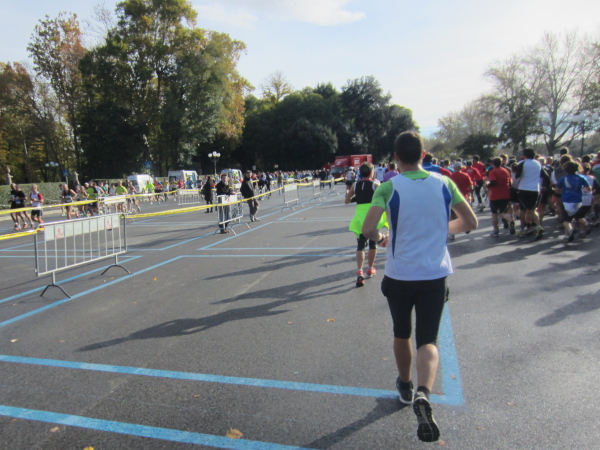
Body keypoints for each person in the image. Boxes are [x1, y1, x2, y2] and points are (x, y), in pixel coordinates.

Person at [362, 131, 477, 443]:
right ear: (423, 154)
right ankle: (424, 392)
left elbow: (368, 228)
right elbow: (471, 222)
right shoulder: (445, 183)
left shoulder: (388, 186)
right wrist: (440, 230)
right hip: (434, 275)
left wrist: (382, 238)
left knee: (402, 332)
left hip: (400, 274)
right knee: (428, 339)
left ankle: (405, 386)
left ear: (396, 157)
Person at [345, 162, 387, 287]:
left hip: (360, 218)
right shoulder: (375, 184)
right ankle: (370, 268)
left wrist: (357, 198)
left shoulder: (356, 185)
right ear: (372, 172)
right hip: (372, 217)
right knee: (373, 243)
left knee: (360, 245)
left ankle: (359, 271)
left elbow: (346, 201)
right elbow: (383, 199)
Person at [556, 161, 591, 242]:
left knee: (566, 219)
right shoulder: (581, 177)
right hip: (578, 200)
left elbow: (557, 190)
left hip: (566, 200)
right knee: (579, 217)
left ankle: (570, 230)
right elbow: (588, 189)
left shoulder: (564, 178)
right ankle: (586, 223)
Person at [515, 148, 545, 239]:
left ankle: (523, 228)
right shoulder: (538, 163)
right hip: (535, 189)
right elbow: (544, 175)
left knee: (523, 210)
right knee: (532, 209)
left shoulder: (522, 163)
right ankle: (538, 226)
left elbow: (517, 176)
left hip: (523, 189)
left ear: (524, 155)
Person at [486, 157, 515, 236]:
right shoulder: (506, 171)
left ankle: (496, 230)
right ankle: (511, 220)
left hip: (495, 194)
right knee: (503, 212)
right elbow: (510, 182)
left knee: (494, 213)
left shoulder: (493, 171)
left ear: (493, 163)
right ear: (501, 163)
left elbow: (493, 182)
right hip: (505, 193)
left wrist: (488, 185)